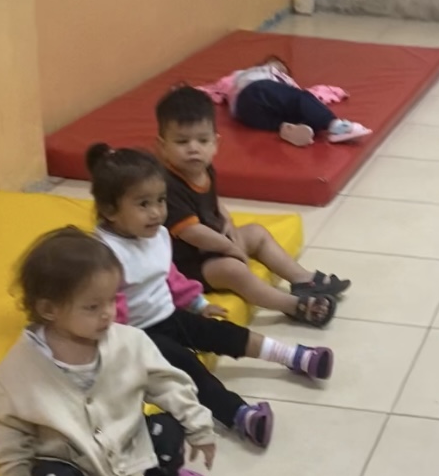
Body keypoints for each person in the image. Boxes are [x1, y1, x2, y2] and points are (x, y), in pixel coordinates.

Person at [0, 227, 219, 476]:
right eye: (92, 307)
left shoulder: (129, 341)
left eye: (111, 300)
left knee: (167, 425)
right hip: (72, 460)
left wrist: (198, 426)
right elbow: (6, 427)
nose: (108, 313)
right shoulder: (16, 371)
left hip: (128, 440)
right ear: (48, 309)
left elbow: (169, 384)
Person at [89, 144, 335, 451]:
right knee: (188, 367)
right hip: (137, 337)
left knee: (224, 333)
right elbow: (107, 310)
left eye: (161, 200)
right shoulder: (103, 254)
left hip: (168, 315)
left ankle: (293, 356)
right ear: (110, 210)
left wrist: (197, 303)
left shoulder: (156, 234)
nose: (157, 212)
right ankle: (240, 415)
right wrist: (115, 354)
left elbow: (169, 275)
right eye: (143, 204)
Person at [154, 85, 349, 324]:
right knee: (233, 270)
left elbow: (212, 200)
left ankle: (302, 279)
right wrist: (229, 248)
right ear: (163, 147)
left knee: (256, 232)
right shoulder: (167, 186)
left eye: (202, 140)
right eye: (182, 141)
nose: (193, 148)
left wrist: (227, 220)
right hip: (186, 264)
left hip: (213, 243)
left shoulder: (203, 168)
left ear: (215, 143)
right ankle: (292, 306)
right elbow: (192, 233)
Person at [220, 56, 372, 148]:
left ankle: (289, 130)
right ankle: (336, 126)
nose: (282, 70)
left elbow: (221, 86)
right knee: (300, 100)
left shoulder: (286, 84)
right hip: (254, 91)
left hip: (245, 115)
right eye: (279, 66)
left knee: (295, 113)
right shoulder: (259, 73)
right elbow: (303, 97)